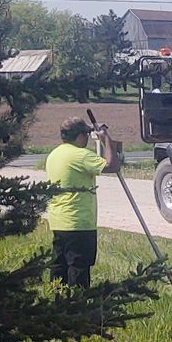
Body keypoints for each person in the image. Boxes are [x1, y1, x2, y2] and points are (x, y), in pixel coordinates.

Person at [44, 116, 121, 288]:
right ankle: (78, 306)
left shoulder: (54, 154)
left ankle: (56, 303)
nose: (87, 137)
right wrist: (106, 138)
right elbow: (113, 165)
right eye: (87, 133)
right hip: (78, 222)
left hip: (58, 221)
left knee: (59, 267)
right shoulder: (80, 155)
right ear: (79, 135)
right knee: (79, 268)